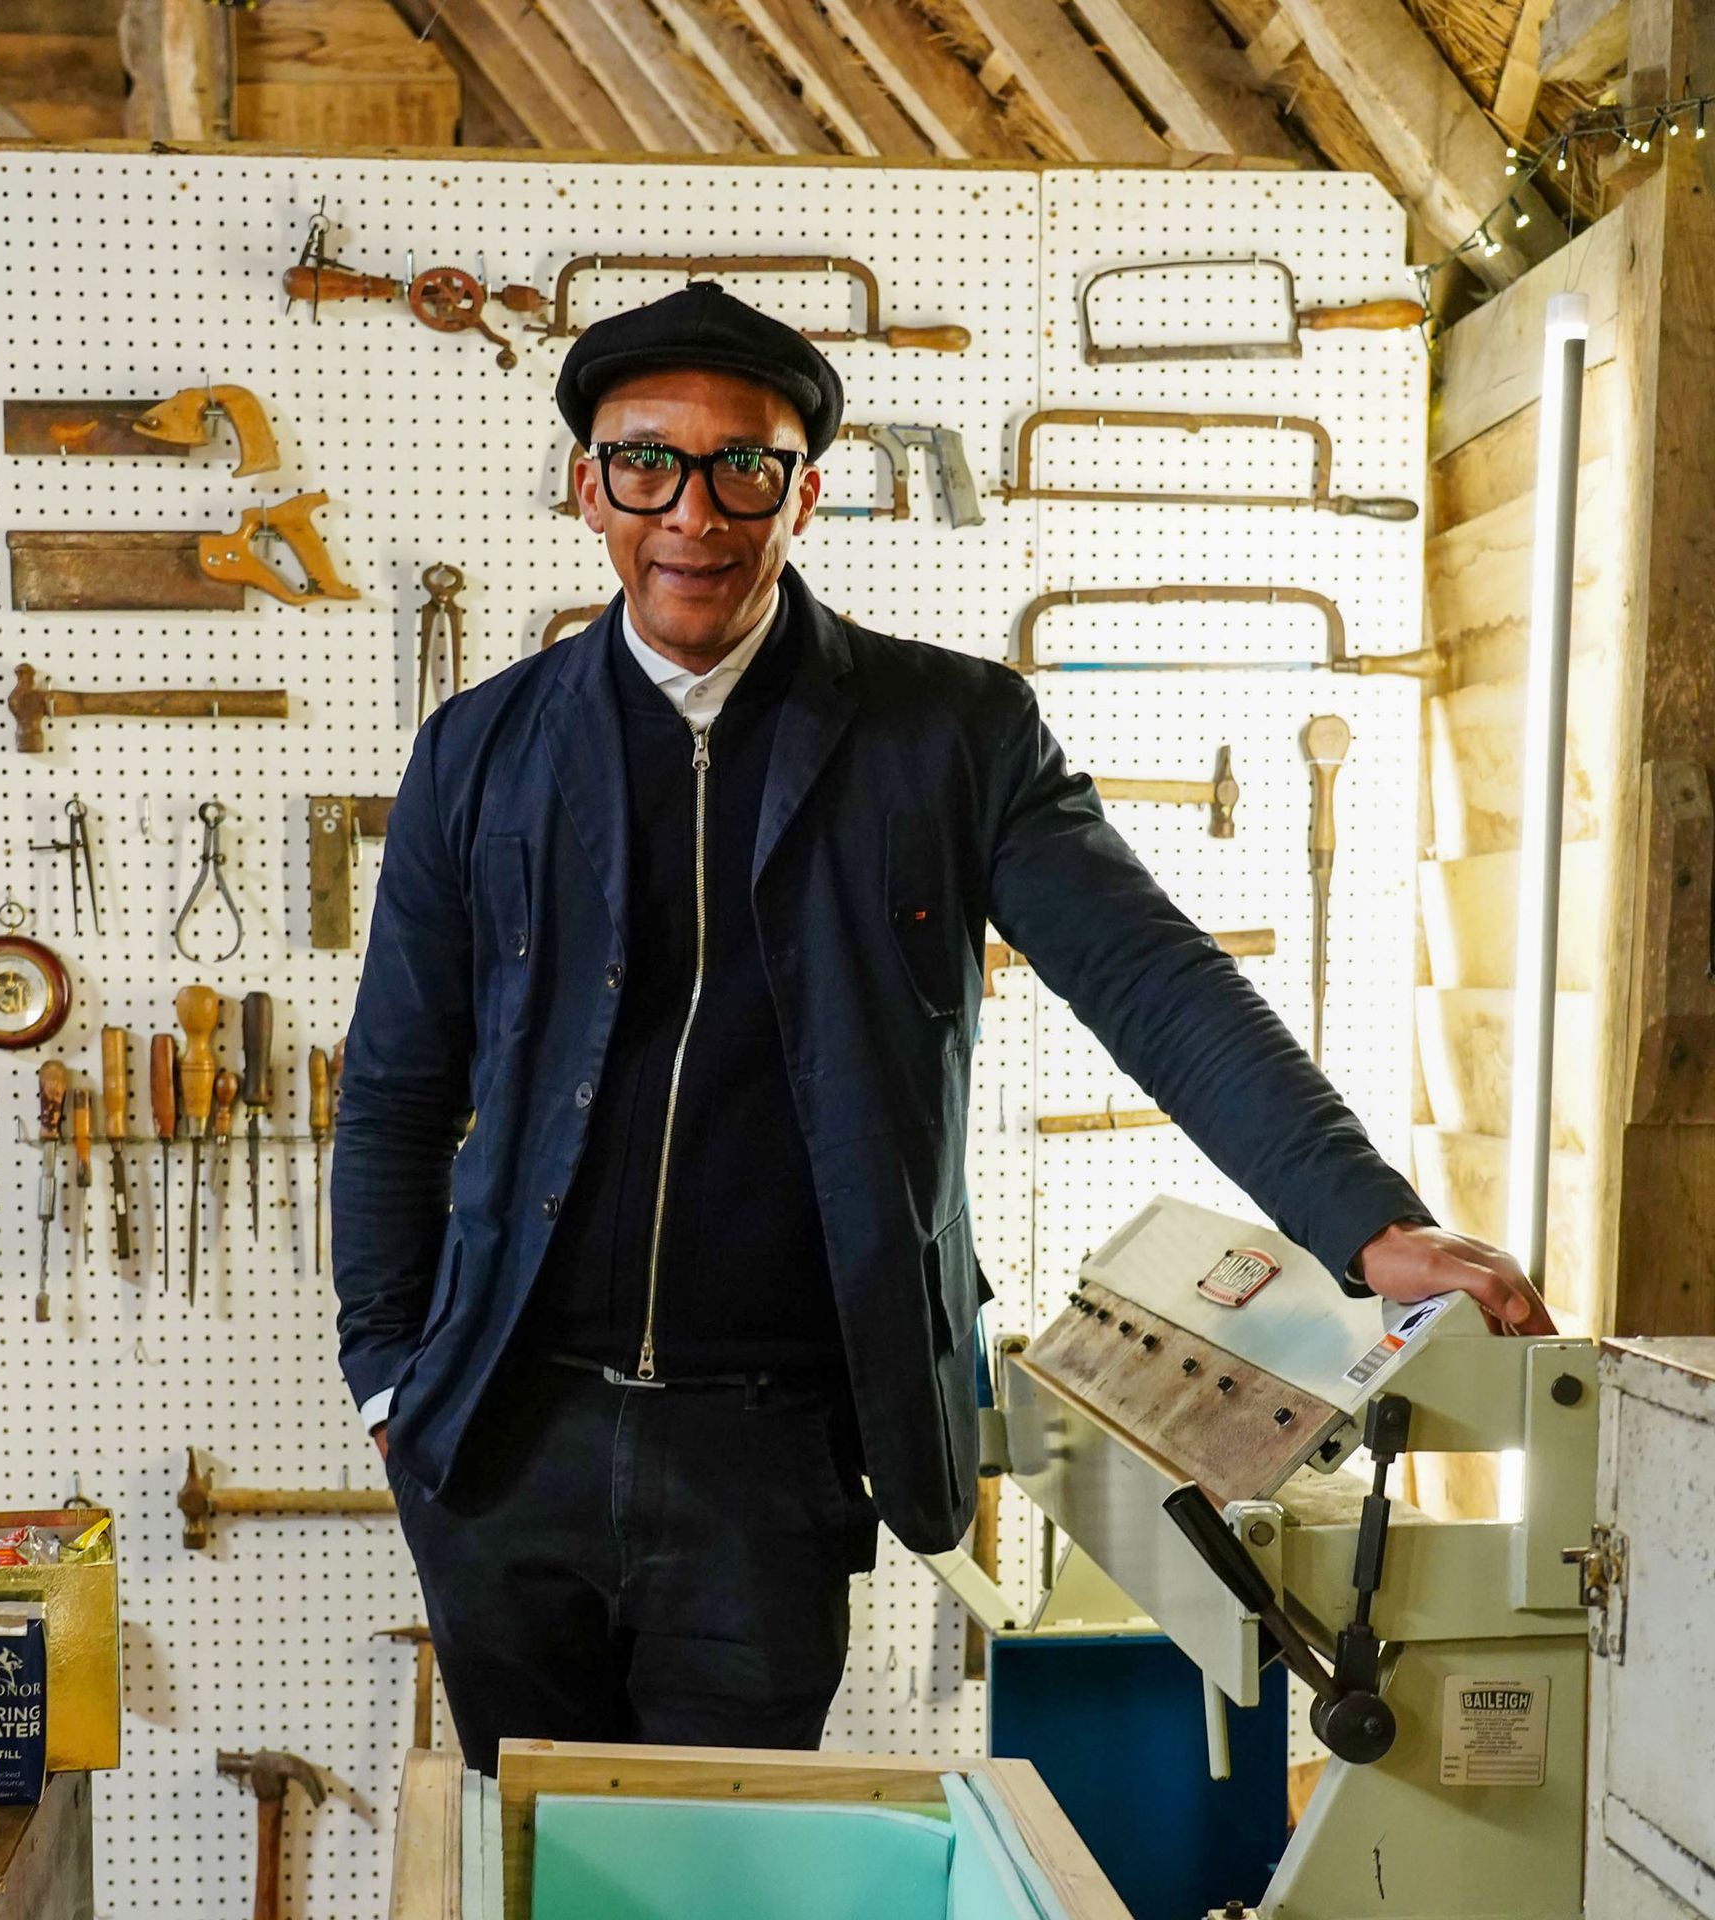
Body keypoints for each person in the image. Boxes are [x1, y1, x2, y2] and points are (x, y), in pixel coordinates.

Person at [330, 280, 1553, 1775]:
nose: (693, 515)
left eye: (743, 468)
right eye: (648, 463)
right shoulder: (479, 750)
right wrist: (389, 1376)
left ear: (805, 495)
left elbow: (1155, 980)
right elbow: (392, 1093)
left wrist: (1367, 1224)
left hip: (771, 1448)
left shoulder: (953, 737)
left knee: (723, 1861)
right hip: (507, 1433)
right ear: (590, 486)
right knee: (521, 1848)